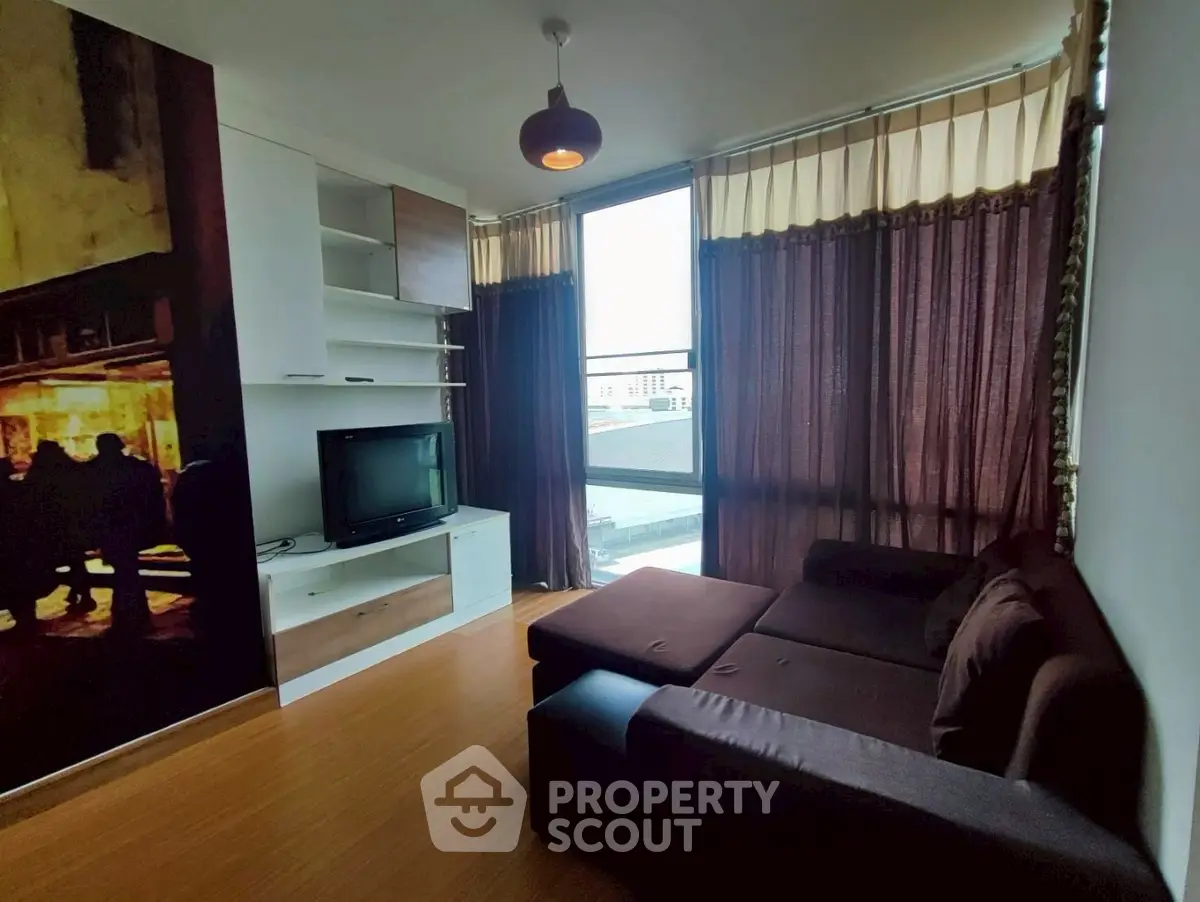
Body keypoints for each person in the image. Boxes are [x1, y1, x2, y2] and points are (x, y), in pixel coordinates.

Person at [88, 434, 167, 635]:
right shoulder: (137, 468)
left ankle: (128, 619)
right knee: (127, 572)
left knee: (124, 573)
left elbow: (86, 503)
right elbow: (153, 495)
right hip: (131, 527)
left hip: (110, 529)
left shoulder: (93, 471)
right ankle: (135, 618)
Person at [23, 440, 96, 615]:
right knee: (75, 560)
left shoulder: (39, 472)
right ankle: (81, 592)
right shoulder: (69, 469)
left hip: (52, 524)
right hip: (69, 522)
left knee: (65, 560)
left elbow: (31, 497)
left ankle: (80, 592)